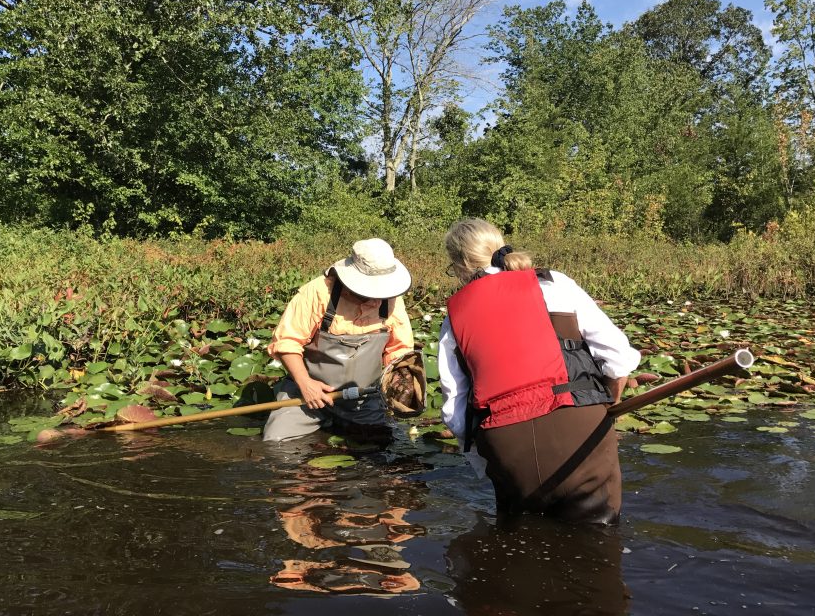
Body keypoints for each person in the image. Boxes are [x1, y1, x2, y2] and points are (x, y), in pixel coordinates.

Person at [438, 218, 641, 523]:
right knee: (599, 544)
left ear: (460, 265)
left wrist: (487, 466)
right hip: (580, 428)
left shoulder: (453, 317)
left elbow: (455, 414)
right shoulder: (554, 282)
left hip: (506, 446)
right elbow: (617, 358)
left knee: (521, 547)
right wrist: (607, 403)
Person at [263, 238, 415, 442]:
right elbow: (287, 342)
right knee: (276, 442)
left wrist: (401, 381)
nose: (376, 297)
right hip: (306, 394)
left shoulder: (392, 301)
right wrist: (305, 383)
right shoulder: (317, 292)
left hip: (364, 397)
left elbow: (400, 349)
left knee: (379, 446)